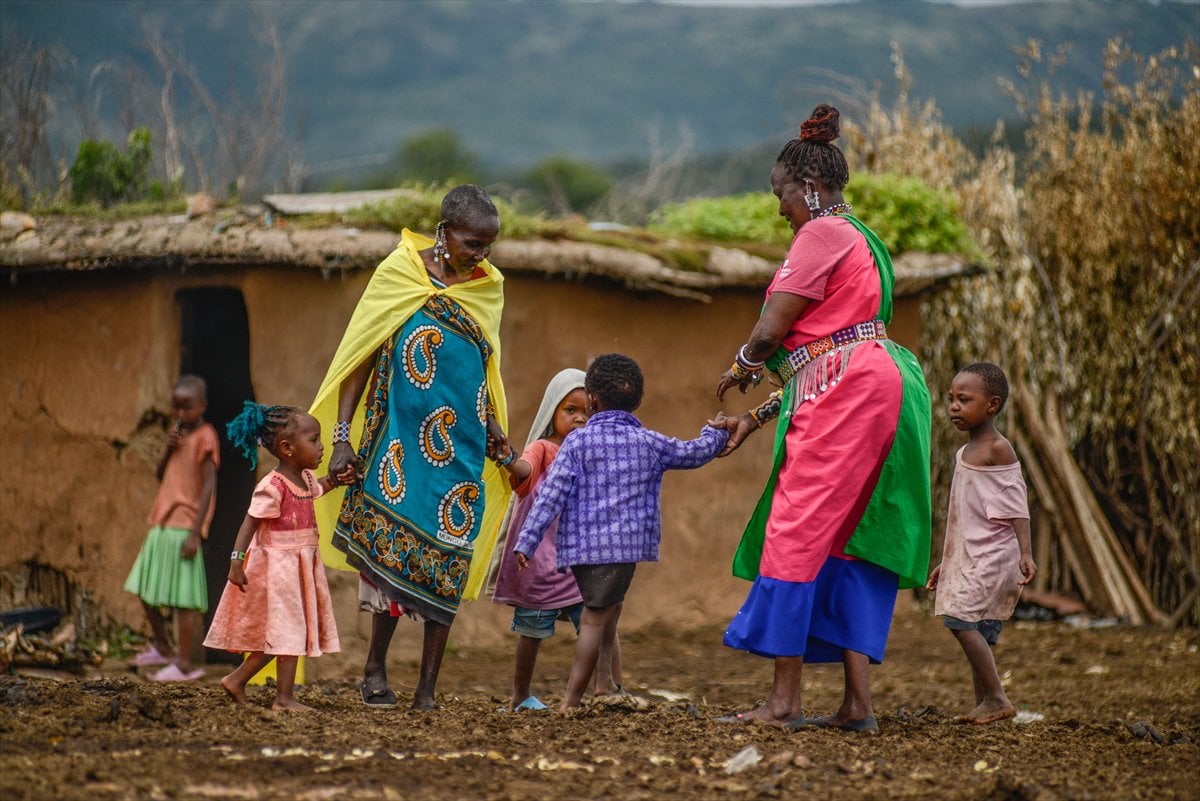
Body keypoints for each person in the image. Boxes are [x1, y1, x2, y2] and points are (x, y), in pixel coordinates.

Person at [712, 104, 932, 732]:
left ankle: (783, 703)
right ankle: (857, 704)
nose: (779, 208)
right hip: (873, 381)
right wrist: (757, 416)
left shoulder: (820, 234)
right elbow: (827, 352)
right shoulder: (863, 237)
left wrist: (743, 365)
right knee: (849, 536)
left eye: (780, 193)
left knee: (795, 528)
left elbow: (773, 326)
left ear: (807, 187)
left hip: (846, 387)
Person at [311, 185, 511, 710]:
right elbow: (360, 356)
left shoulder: (487, 288)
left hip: (461, 452)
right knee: (386, 557)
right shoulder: (398, 274)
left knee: (449, 556)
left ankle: (427, 688)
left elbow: (483, 375)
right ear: (444, 231)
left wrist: (493, 433)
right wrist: (340, 439)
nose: (481, 256)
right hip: (395, 441)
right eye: (472, 243)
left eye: (489, 246)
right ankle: (374, 670)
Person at [513, 353, 729, 713]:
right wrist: (717, 432)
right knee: (597, 619)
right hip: (623, 551)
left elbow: (551, 495)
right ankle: (571, 700)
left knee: (607, 614)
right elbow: (694, 453)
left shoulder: (577, 444)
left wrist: (526, 542)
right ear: (638, 400)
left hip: (582, 552)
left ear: (593, 399)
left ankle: (604, 686)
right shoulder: (648, 442)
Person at [489, 368, 622, 711]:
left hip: (581, 559)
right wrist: (507, 460)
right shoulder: (543, 449)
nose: (580, 418)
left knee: (600, 624)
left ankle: (608, 688)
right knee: (532, 629)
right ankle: (521, 696)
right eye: (570, 410)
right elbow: (524, 473)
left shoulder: (594, 453)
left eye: (587, 411)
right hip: (539, 560)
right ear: (552, 411)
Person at [204, 402, 343, 712]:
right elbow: (249, 523)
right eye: (314, 440)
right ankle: (283, 699)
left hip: (301, 564)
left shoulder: (305, 479)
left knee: (284, 635)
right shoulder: (272, 486)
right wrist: (236, 562)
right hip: (279, 568)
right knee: (288, 633)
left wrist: (334, 481)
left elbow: (317, 490)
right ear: (287, 448)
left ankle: (237, 680)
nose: (321, 447)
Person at [926, 362, 1035, 725]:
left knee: (959, 620)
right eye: (951, 399)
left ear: (992, 405)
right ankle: (986, 706)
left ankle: (995, 698)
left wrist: (1026, 553)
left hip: (995, 556)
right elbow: (963, 515)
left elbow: (1017, 505)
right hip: (972, 555)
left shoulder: (998, 449)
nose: (954, 407)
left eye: (964, 400)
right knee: (981, 632)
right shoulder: (964, 453)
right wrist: (948, 561)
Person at [124, 374, 218, 682]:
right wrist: (168, 447)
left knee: (182, 599)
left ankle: (184, 663)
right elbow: (160, 473)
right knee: (143, 587)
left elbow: (208, 488)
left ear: (202, 406)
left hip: (184, 524)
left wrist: (196, 531)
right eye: (176, 408)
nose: (180, 414)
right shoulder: (176, 434)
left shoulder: (206, 435)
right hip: (162, 520)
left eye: (187, 408)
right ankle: (163, 648)